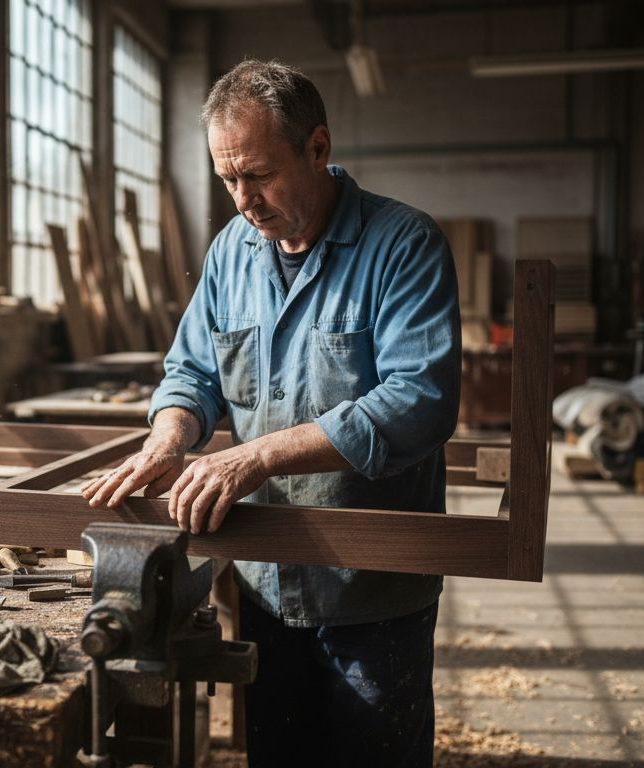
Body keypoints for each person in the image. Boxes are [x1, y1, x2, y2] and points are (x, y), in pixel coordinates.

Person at [81, 59, 460, 767]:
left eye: (258, 174)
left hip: (370, 589)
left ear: (317, 148)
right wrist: (171, 438)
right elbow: (193, 371)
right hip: (263, 577)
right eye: (228, 179)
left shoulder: (404, 246)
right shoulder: (232, 253)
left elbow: (420, 402)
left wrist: (253, 456)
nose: (243, 200)